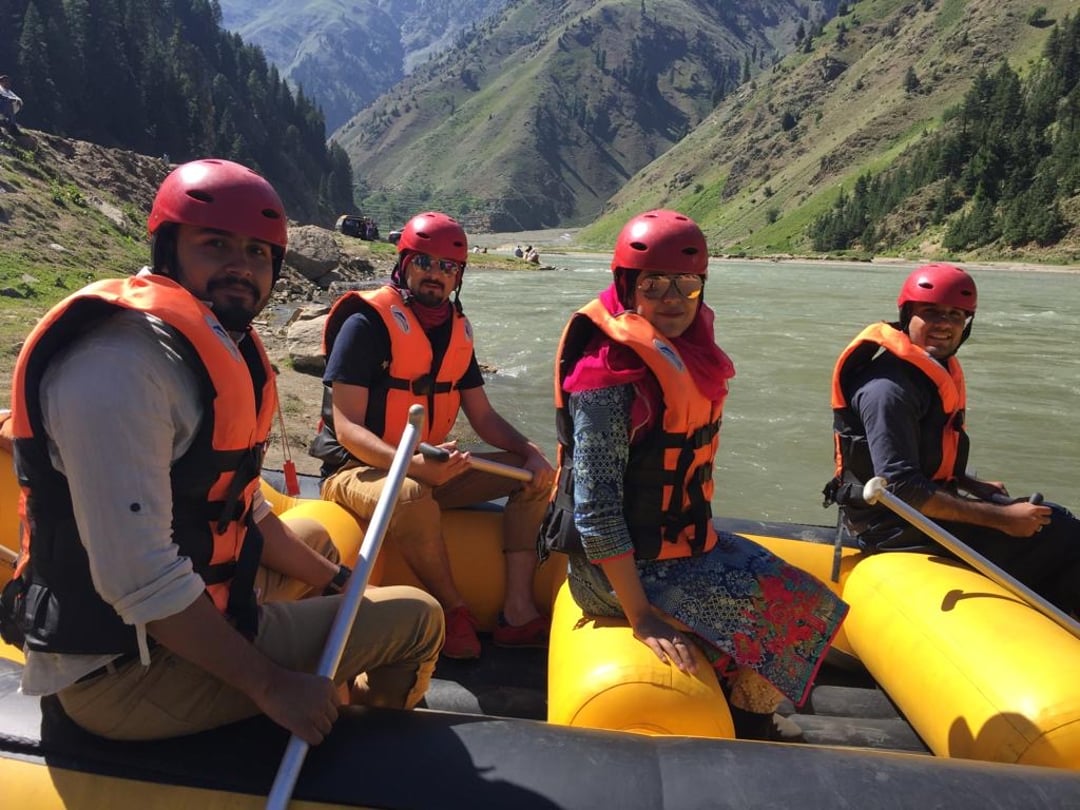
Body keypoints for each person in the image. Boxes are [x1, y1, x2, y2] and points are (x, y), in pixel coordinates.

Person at [0, 159, 443, 743]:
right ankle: (363, 735)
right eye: (216, 244)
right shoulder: (119, 368)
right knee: (417, 617)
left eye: (259, 252)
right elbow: (142, 579)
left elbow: (243, 507)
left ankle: (322, 678)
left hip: (170, 624)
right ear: (168, 249)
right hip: (119, 672)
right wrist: (271, 686)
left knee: (313, 541)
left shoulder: (210, 343)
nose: (241, 267)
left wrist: (340, 581)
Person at [541, 209, 848, 740]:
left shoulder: (692, 351)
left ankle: (748, 715)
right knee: (778, 615)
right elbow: (596, 511)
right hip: (617, 572)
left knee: (810, 600)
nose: (672, 298)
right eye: (653, 283)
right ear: (626, 285)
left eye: (687, 284)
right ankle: (751, 732)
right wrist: (641, 616)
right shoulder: (605, 376)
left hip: (681, 550)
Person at [311, 211, 556, 659]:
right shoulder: (365, 324)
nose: (435, 274)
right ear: (404, 263)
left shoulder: (457, 330)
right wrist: (412, 465)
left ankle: (517, 611)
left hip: (428, 465)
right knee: (408, 494)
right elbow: (345, 427)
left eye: (448, 267)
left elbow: (482, 416)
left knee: (533, 473)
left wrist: (528, 450)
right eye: (424, 261)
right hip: (354, 471)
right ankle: (454, 609)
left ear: (458, 276)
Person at [823, 262, 1080, 617]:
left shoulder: (924, 373)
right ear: (907, 314)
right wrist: (1004, 519)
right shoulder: (888, 391)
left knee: (1054, 519)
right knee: (1063, 535)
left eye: (956, 316)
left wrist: (972, 484)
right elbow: (901, 490)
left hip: (908, 516)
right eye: (931, 313)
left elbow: (920, 464)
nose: (944, 324)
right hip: (893, 528)